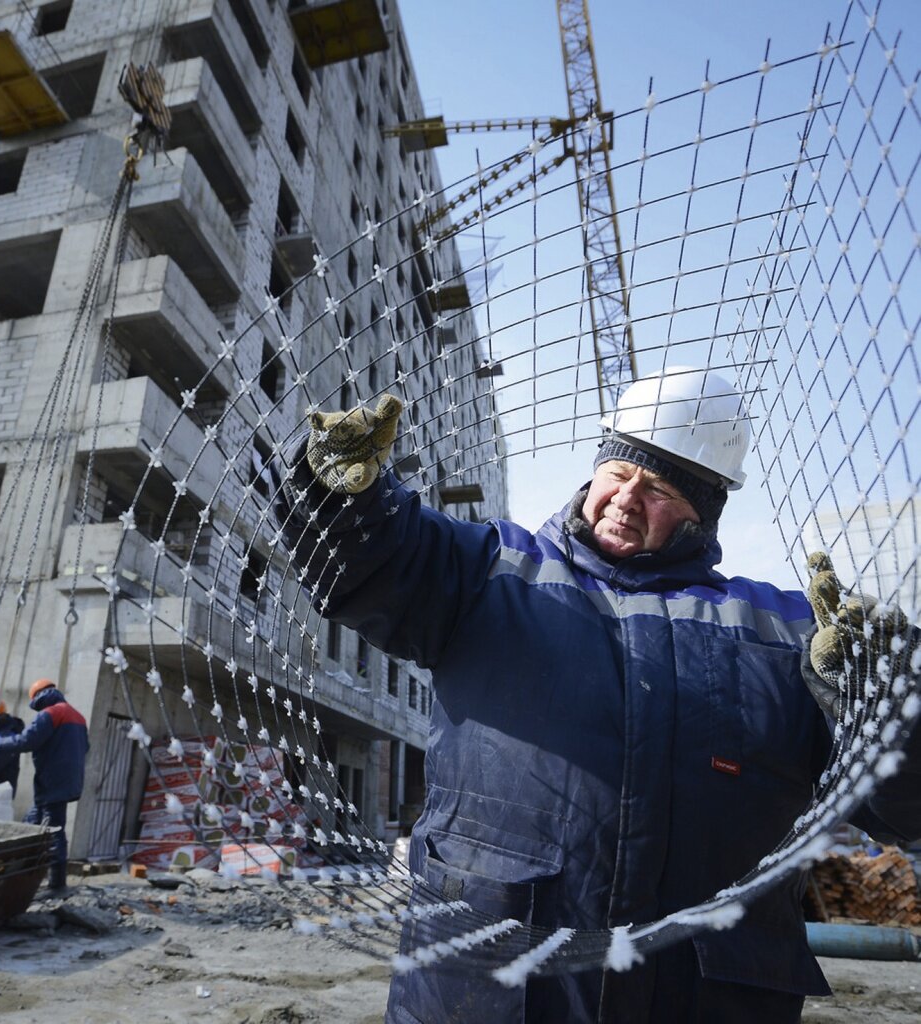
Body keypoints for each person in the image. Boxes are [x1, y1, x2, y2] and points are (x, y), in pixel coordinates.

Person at [278, 366, 921, 1023]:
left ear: (704, 507)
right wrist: (334, 493)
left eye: (659, 486)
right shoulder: (486, 573)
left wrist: (886, 701)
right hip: (488, 995)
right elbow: (378, 559)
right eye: (617, 473)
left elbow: (903, 807)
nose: (624, 498)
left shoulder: (789, 635)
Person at [0, 678, 89, 891]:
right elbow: (85, 747)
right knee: (32, 823)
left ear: (38, 697)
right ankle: (27, 876)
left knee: (52, 831)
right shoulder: (77, 716)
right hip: (68, 780)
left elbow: (26, 741)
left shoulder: (49, 714)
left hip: (52, 780)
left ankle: (56, 885)